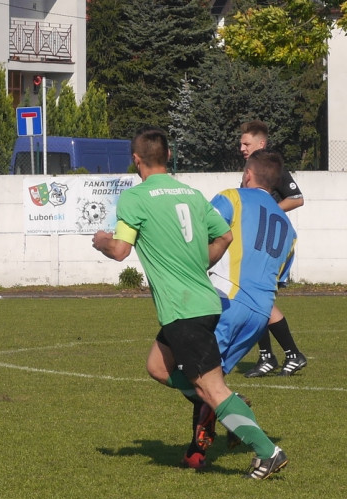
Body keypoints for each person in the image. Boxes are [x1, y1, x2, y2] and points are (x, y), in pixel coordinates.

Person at [91, 128, 287, 480]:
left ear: (136, 160)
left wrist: (101, 241)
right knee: (157, 366)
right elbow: (224, 235)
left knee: (210, 387)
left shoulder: (136, 198)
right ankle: (224, 399)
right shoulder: (192, 194)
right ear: (167, 156)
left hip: (185, 308)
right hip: (202, 300)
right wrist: (199, 265)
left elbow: (120, 251)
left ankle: (267, 451)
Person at [176, 149, 297, 468]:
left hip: (227, 300)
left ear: (247, 174)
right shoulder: (288, 227)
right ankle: (196, 451)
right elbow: (280, 277)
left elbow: (199, 235)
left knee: (181, 370)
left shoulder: (233, 197)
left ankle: (236, 421)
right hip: (259, 316)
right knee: (210, 379)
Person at [238, 120, 307, 377]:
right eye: (241, 143)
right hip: (253, 243)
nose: (242, 147)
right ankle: (269, 356)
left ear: (261, 144)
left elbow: (297, 198)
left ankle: (291, 354)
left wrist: (269, 211)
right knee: (252, 298)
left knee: (258, 299)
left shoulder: (271, 169)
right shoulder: (251, 170)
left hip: (269, 244)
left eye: (246, 143)